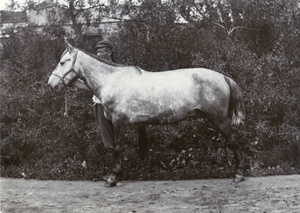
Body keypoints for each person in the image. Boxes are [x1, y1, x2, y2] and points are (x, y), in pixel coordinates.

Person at [72, 39, 148, 183]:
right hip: (99, 104)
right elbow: (92, 87)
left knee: (117, 139)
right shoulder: (96, 70)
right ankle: (115, 171)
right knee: (109, 141)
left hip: (116, 106)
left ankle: (116, 172)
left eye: (103, 51)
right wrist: (75, 83)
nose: (100, 54)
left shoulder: (117, 70)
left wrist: (78, 84)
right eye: (98, 52)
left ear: (110, 52)